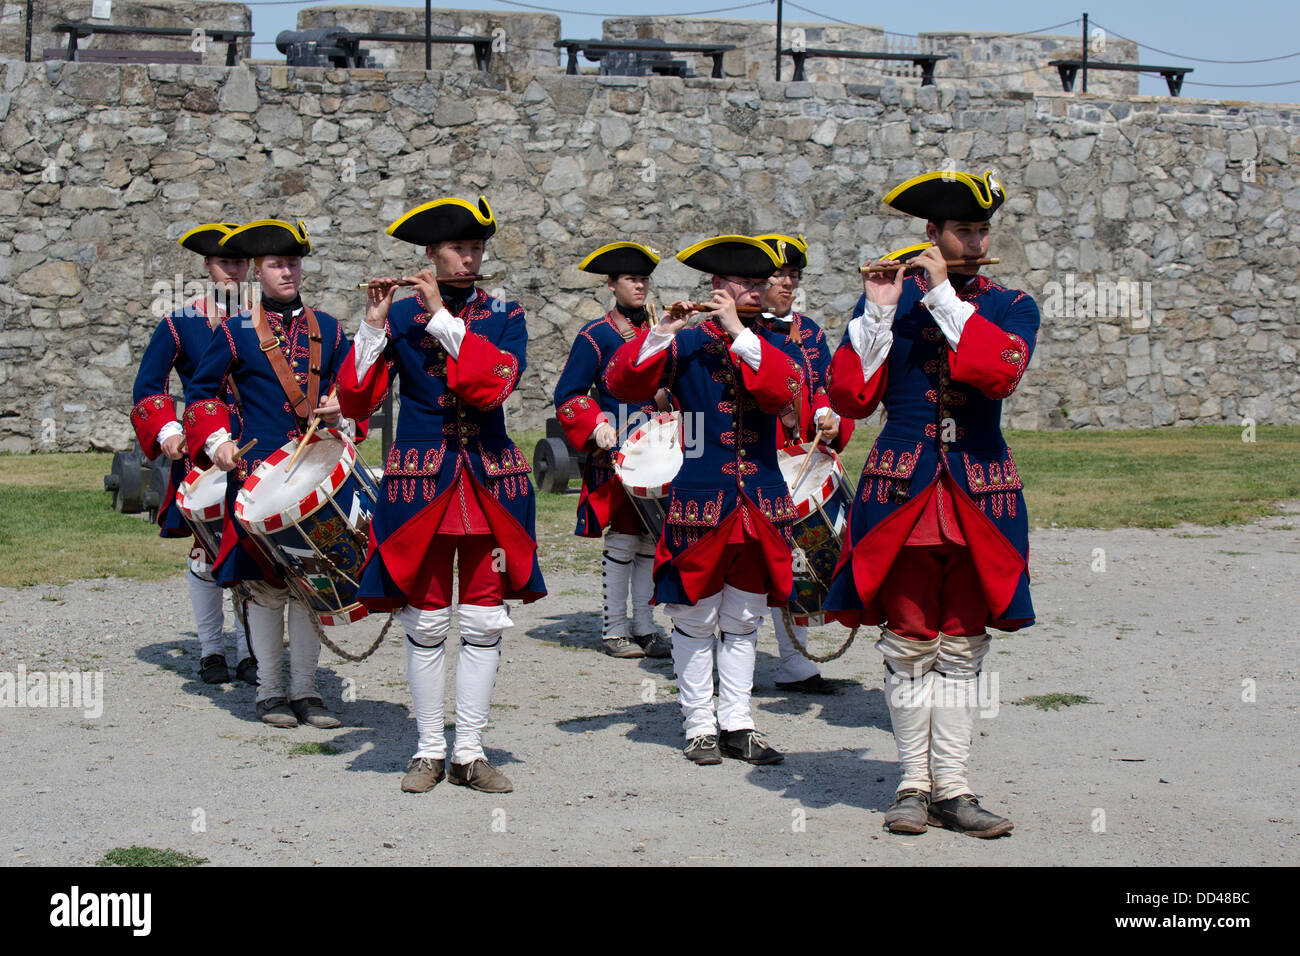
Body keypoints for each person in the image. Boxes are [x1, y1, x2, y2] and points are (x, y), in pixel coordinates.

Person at [823, 171, 1039, 837]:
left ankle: (955, 785)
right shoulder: (889, 304)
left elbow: (996, 371)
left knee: (962, 645)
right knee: (911, 639)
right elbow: (853, 398)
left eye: (980, 231)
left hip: (979, 492)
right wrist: (880, 313)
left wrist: (942, 293)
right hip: (902, 492)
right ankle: (913, 783)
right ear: (931, 235)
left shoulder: (1013, 304)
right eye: (962, 231)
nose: (975, 241)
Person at [338, 196, 545, 795]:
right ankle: (430, 749)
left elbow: (495, 383)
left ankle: (471, 751)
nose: (470, 258)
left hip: (489, 482)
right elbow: (357, 401)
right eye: (459, 249)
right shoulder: (398, 317)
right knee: (426, 622)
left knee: (483, 620)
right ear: (431, 254)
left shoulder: (506, 312)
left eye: (477, 248)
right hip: (419, 485)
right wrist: (374, 324)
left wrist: (437, 314)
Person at [604, 235, 805, 766]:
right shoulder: (685, 343)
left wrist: (740, 333)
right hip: (700, 498)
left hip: (761, 497)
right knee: (695, 615)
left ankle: (738, 721)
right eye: (748, 283)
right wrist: (663, 331)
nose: (760, 291)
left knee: (743, 617)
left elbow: (785, 394)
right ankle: (699, 724)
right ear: (717, 286)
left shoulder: (776, 341)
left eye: (763, 283)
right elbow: (622, 383)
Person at [183, 219, 357, 730]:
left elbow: (355, 391)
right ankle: (268, 691)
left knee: (311, 583)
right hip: (257, 478)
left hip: (313, 475)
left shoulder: (328, 327)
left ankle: (306, 690)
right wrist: (216, 440)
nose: (288, 271)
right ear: (258, 271)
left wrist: (341, 412)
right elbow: (201, 395)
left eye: (294, 262)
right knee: (264, 587)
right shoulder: (235, 331)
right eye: (278, 264)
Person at [131, 222, 254, 686]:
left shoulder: (266, 322)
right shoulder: (178, 323)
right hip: (199, 449)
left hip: (253, 445)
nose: (234, 271)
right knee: (206, 550)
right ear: (208, 266)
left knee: (253, 547)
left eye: (242, 262)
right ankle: (210, 649)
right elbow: (148, 387)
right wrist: (166, 429)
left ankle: (250, 651)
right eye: (226, 263)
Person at [553, 241, 671, 659]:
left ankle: (645, 625)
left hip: (660, 451)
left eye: (644, 279)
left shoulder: (662, 331)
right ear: (612, 284)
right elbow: (568, 394)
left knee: (650, 540)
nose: (640, 286)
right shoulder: (595, 335)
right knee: (623, 538)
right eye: (631, 279)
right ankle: (614, 628)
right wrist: (596, 422)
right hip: (617, 449)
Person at [753, 233, 854, 695]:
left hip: (799, 457)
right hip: (753, 459)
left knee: (796, 560)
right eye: (778, 275)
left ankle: (795, 664)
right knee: (751, 563)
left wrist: (825, 414)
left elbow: (823, 385)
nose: (788, 283)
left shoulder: (809, 330)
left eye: (793, 275)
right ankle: (725, 656)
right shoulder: (741, 330)